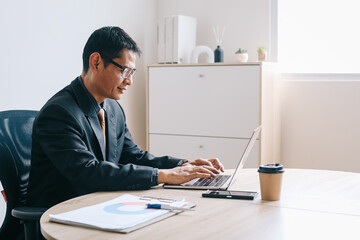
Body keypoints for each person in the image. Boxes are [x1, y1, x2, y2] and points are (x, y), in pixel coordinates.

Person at [27, 26, 224, 208]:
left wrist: (183, 166)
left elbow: (134, 156)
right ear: (96, 62)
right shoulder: (59, 113)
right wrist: (163, 175)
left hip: (100, 206)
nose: (129, 81)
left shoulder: (113, 109)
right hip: (60, 216)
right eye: (125, 70)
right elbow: (88, 171)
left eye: (132, 72)